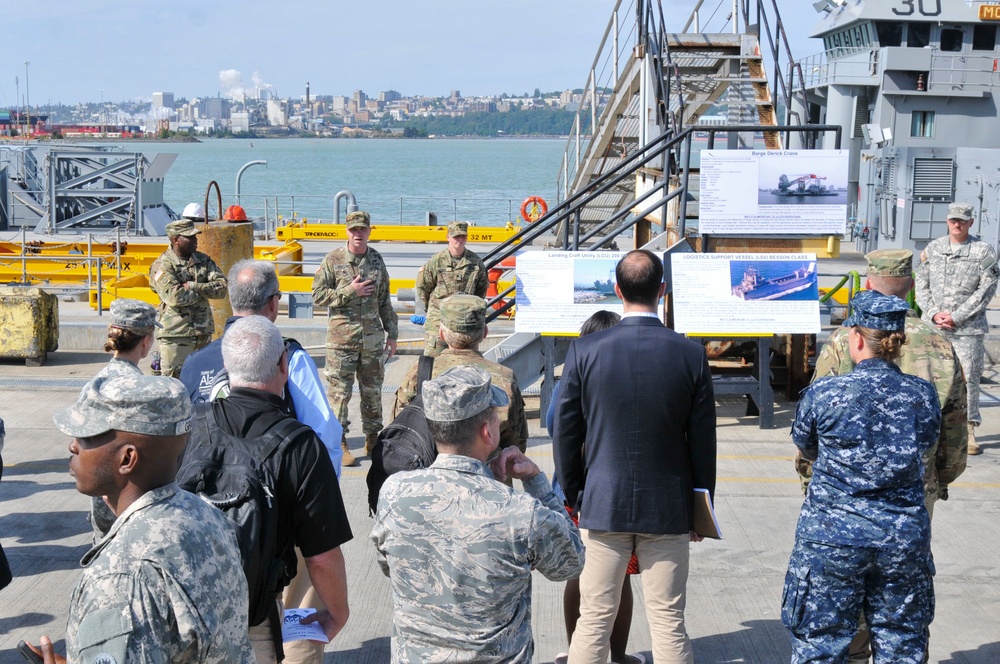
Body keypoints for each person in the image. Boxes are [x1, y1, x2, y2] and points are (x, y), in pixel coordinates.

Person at [554, 249, 717, 664]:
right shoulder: (691, 354)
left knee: (593, 618)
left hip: (603, 502)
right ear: (662, 291)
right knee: (667, 619)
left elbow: (566, 433)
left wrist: (575, 496)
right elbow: (703, 442)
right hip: (667, 506)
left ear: (617, 290)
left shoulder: (585, 351)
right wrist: (700, 509)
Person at [179, 259, 344, 664]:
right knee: (299, 620)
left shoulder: (195, 361)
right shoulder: (288, 355)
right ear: (274, 304)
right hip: (281, 514)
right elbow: (326, 435)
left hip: (208, 524)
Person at [25, 374, 253, 664]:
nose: (73, 446)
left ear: (126, 459)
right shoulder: (205, 516)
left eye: (86, 436)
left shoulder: (122, 575)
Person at [808, 250, 967, 663]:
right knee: (902, 599)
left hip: (842, 497)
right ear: (911, 286)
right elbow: (953, 424)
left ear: (866, 283)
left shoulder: (846, 339)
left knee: (844, 598)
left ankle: (858, 656)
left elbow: (814, 426)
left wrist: (814, 483)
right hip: (914, 490)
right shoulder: (939, 342)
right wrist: (941, 479)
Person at [372, 365, 585, 662]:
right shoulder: (519, 512)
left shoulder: (394, 493)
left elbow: (389, 565)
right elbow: (571, 562)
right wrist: (535, 480)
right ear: (487, 432)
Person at [782, 291, 940, 663]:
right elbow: (928, 443)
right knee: (901, 642)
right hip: (901, 538)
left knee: (820, 642)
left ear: (856, 338)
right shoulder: (922, 394)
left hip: (832, 538)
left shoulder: (826, 392)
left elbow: (806, 447)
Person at [544, 310, 641, 664]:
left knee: (579, 573)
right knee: (622, 576)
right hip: (616, 488)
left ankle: (577, 652)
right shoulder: (626, 378)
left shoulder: (573, 372)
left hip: (572, 489)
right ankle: (617, 656)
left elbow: (554, 425)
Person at [312, 210, 398, 466]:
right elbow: (318, 295)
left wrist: (392, 334)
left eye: (362, 229)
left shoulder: (376, 260)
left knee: (372, 392)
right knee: (339, 394)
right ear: (346, 231)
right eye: (353, 230)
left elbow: (384, 300)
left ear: (369, 231)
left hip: (371, 341)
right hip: (342, 342)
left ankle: (373, 439)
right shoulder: (333, 260)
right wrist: (351, 290)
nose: (358, 234)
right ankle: (340, 442)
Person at [394, 293, 527, 454]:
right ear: (484, 332)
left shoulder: (420, 370)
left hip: (430, 472)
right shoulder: (504, 377)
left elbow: (400, 425)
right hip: (488, 474)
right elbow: (516, 444)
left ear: (442, 334)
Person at [915, 202, 999, 455]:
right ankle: (930, 429)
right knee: (930, 376)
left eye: (962, 220)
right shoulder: (934, 248)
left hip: (967, 329)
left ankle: (969, 431)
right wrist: (933, 313)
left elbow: (986, 289)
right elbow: (921, 284)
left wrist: (957, 316)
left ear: (971, 222)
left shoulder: (983, 251)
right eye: (953, 220)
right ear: (947, 221)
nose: (957, 224)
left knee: (969, 379)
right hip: (935, 327)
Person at [89, 298, 162, 541]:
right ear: (146, 341)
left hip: (99, 493)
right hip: (129, 497)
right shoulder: (142, 389)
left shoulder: (94, 384)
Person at [149, 217, 228, 378]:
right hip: (176, 337)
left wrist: (193, 286)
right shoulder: (163, 265)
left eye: (195, 236)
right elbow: (174, 297)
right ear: (176, 239)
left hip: (202, 333)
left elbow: (222, 289)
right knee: (173, 384)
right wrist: (206, 290)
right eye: (190, 237)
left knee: (203, 382)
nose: (195, 240)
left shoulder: (203, 261)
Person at [415, 220, 489, 356]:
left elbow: (481, 289)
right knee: (432, 359)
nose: (459, 240)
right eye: (456, 236)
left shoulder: (475, 262)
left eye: (462, 236)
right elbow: (423, 287)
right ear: (448, 237)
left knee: (467, 363)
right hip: (438, 319)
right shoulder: (436, 261)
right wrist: (433, 308)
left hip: (465, 322)